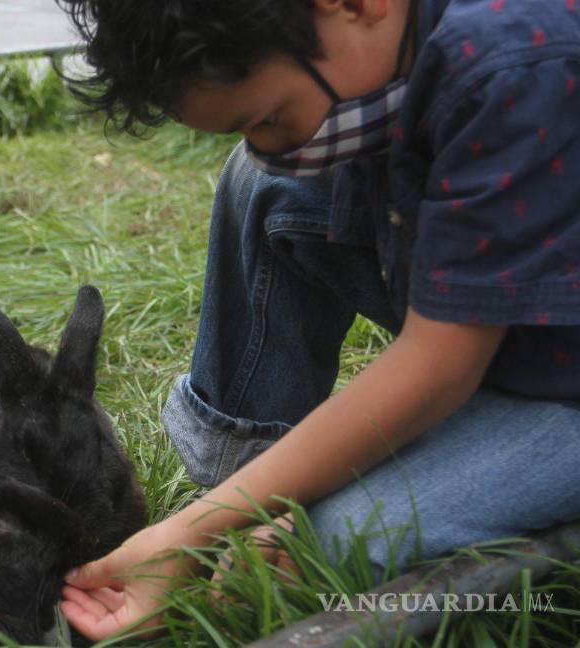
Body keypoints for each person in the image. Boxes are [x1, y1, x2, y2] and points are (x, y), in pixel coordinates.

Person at [53, 0, 580, 639]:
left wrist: (193, 533)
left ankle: (258, 519)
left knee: (326, 542)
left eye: (271, 118)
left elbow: (439, 365)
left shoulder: (512, 65)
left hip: (557, 372)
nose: (272, 148)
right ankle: (244, 476)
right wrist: (239, 508)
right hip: (501, 305)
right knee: (262, 187)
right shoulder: (391, 45)